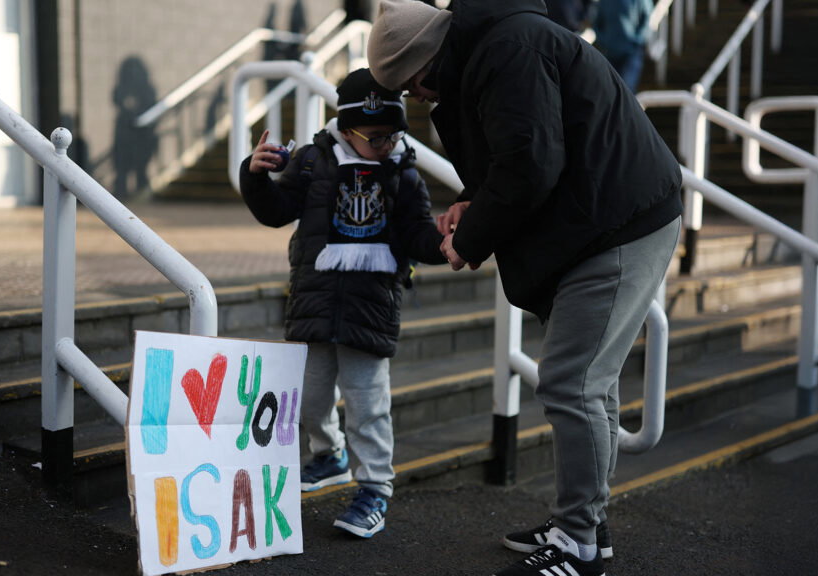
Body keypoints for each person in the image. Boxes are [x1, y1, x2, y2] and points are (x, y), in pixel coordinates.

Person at [367, 1, 682, 575]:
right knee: (592, 385)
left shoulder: (507, 49)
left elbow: (531, 163)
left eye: (413, 84)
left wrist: (472, 237)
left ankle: (578, 545)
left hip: (616, 223)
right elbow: (521, 157)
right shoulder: (501, 45)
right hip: (608, 215)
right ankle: (586, 524)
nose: (418, 98)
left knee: (571, 382)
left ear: (426, 61)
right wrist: (474, 205)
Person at [239, 68, 446, 539]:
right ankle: (328, 455)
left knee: (368, 404)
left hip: (370, 307)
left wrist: (446, 245)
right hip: (315, 302)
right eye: (375, 137)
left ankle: (374, 488)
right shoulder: (313, 162)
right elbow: (275, 211)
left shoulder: (404, 172)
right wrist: (254, 177)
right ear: (347, 131)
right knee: (309, 399)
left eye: (394, 134)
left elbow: (417, 234)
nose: (386, 143)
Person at [594, 0, 654, 92]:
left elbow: (647, 20)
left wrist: (636, 40)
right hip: (610, 53)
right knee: (609, 91)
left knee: (626, 90)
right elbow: (597, 23)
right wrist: (604, 41)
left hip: (631, 53)